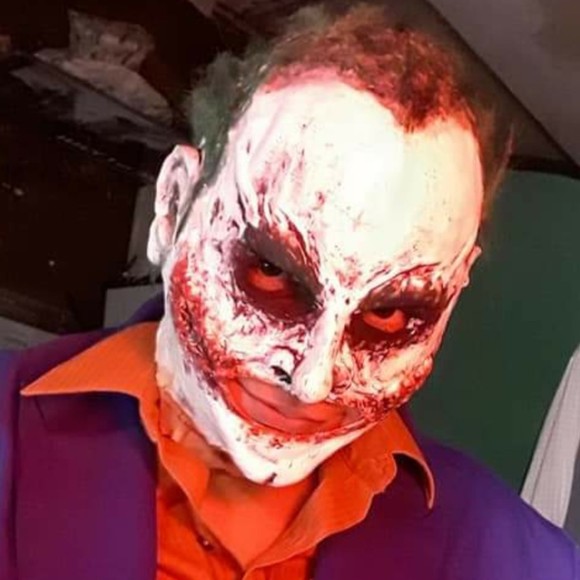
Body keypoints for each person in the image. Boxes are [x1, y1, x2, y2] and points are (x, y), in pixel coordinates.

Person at [1, 3, 578, 579]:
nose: (312, 382)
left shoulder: (515, 559)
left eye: (388, 314)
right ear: (174, 204)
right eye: (270, 273)